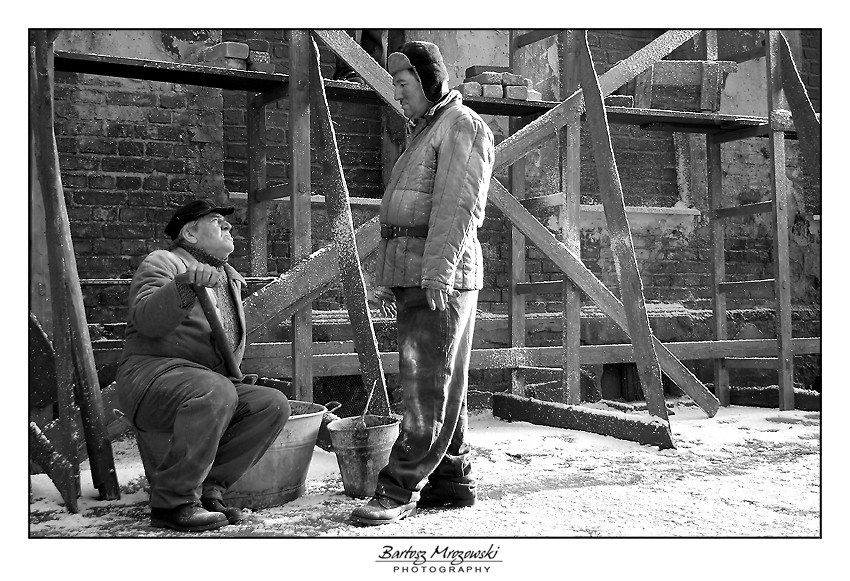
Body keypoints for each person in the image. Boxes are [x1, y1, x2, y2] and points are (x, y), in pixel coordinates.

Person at [350, 41, 495, 526]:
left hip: (438, 277)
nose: (397, 93)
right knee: (438, 381)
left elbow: (458, 209)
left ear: (428, 80)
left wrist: (438, 273)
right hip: (418, 273)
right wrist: (389, 276)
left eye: (403, 83)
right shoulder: (428, 129)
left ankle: (398, 487)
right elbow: (406, 211)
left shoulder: (461, 125)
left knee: (425, 387)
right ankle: (452, 479)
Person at [115, 199, 291, 532]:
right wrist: (183, 285)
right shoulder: (164, 262)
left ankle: (208, 491)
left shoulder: (229, 279)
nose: (228, 226)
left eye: (226, 222)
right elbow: (147, 320)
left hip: (206, 385)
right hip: (151, 378)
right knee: (216, 391)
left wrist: (233, 379)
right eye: (215, 221)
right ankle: (173, 502)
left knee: (270, 404)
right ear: (190, 234)